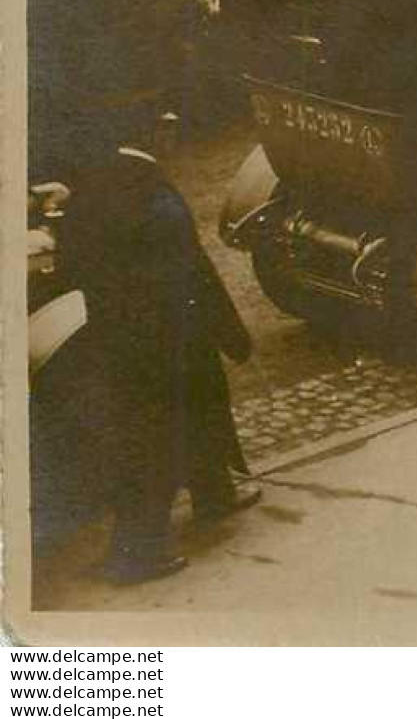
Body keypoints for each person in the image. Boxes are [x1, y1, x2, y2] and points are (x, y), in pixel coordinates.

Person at [51, 140, 259, 583]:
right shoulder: (146, 186)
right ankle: (146, 547)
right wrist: (231, 332)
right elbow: (194, 265)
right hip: (171, 327)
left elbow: (74, 269)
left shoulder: (89, 194)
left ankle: (199, 504)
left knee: (161, 426)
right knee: (170, 425)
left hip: (134, 333)